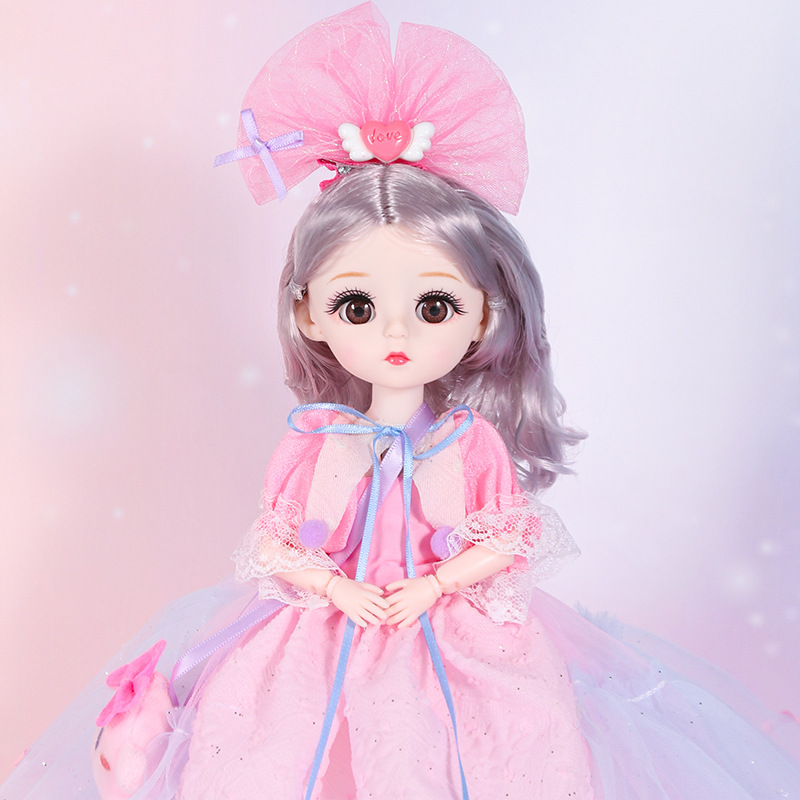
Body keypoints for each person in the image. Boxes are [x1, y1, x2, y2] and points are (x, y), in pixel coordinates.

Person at [3, 4, 799, 799]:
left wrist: (432, 588)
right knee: (273, 731)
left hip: (449, 627)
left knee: (498, 739)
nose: (396, 333)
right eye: (356, 306)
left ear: (482, 316)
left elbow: (507, 540)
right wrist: (336, 588)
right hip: (324, 625)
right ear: (308, 313)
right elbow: (277, 546)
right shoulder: (318, 441)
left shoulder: (467, 444)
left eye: (433, 306)